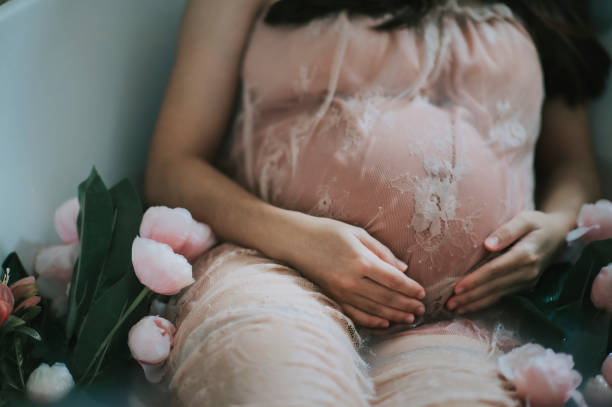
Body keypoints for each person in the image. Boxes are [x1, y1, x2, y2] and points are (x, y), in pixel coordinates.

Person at [144, 0, 610, 405]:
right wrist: (297, 240)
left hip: (467, 318)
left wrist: (553, 228)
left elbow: (574, 165)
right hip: (275, 269)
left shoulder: (550, 6)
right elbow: (172, 167)